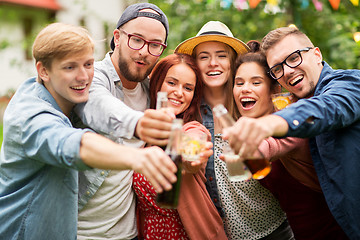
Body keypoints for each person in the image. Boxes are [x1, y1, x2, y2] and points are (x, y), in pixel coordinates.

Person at [0, 23, 177, 240]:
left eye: (88, 64)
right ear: (43, 71)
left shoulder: (55, 92)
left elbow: (99, 105)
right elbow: (73, 144)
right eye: (69, 67)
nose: (83, 77)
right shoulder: (30, 116)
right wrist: (137, 157)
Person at [224, 26, 360, 239]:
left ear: (316, 55)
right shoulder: (288, 105)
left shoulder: (349, 83)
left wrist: (267, 126)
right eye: (277, 68)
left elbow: (324, 109)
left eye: (294, 58)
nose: (287, 71)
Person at [175, 21, 294, 239]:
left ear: (232, 61)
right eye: (203, 57)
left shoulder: (251, 102)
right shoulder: (189, 112)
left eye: (221, 55)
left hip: (275, 230)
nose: (213, 63)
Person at [73, 3, 178, 239]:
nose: (144, 51)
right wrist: (138, 123)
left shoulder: (153, 90)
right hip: (81, 231)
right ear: (117, 37)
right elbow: (96, 105)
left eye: (155, 45)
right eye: (137, 39)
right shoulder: (93, 75)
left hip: (130, 232)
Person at [133, 53, 227, 239]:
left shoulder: (192, 128)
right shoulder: (141, 132)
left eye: (188, 88)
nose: (179, 92)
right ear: (157, 82)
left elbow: (193, 148)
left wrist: (192, 155)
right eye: (172, 83)